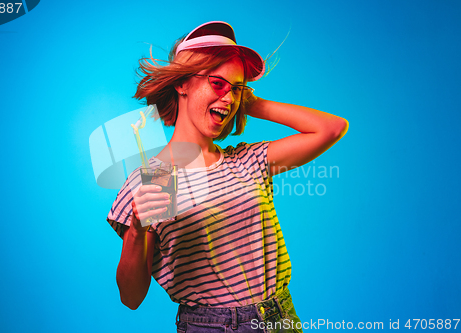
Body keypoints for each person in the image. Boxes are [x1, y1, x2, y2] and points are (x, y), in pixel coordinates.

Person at [106, 21, 348, 333]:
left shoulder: (248, 160)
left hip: (282, 318)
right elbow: (131, 297)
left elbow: (331, 129)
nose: (229, 99)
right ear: (183, 83)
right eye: (218, 83)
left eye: (237, 89)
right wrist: (138, 233)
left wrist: (250, 102)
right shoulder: (157, 178)